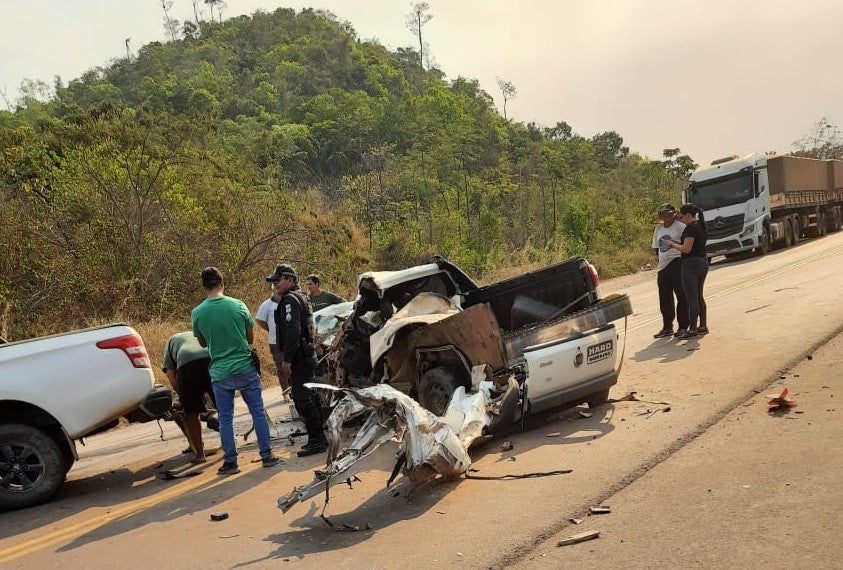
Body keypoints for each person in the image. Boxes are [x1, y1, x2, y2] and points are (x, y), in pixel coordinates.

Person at [191, 267, 282, 475]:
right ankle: (267, 455)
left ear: (204, 286)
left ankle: (231, 462)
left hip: (220, 372)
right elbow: (249, 338)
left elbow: (203, 342)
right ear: (222, 283)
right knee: (257, 412)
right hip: (244, 366)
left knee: (225, 418)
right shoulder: (238, 305)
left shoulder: (198, 313)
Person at [267, 263, 328, 457]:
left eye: (279, 280)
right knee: (310, 398)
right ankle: (319, 438)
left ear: (290, 280)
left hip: (300, 358)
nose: (275, 284)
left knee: (303, 400)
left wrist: (287, 359)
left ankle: (317, 440)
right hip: (306, 355)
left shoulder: (290, 300)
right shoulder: (299, 297)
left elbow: (293, 331)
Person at [162, 331, 216, 464]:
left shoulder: (170, 342)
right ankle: (230, 446)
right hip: (210, 358)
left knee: (191, 413)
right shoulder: (198, 334)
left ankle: (200, 454)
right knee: (223, 406)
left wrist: (185, 396)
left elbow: (170, 375)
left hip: (187, 364)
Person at [666, 204, 709, 339]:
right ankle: (702, 325)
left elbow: (686, 249)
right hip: (702, 261)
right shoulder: (700, 226)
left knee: (692, 298)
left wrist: (672, 245)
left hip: (691, 264)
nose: (681, 219)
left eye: (682, 216)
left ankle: (693, 329)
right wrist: (675, 242)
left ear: (689, 216)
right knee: (699, 295)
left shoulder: (690, 228)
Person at [651, 203, 689, 338]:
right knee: (664, 296)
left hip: (678, 261)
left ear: (673, 215)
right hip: (663, 266)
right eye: (663, 215)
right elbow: (656, 247)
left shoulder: (680, 227)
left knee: (681, 293)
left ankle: (683, 325)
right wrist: (661, 260)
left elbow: (686, 245)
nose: (666, 217)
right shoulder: (658, 229)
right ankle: (667, 326)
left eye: (668, 215)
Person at [255, 279, 291, 401]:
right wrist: (270, 329)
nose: (277, 290)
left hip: (290, 340)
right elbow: (259, 320)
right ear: (273, 289)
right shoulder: (267, 305)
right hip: (275, 342)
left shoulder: (289, 301)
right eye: (275, 288)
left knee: (293, 366)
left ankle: (295, 390)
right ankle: (285, 392)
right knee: (281, 368)